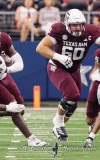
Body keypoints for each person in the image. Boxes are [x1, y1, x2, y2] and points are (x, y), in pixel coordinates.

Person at [36, 9, 100, 141]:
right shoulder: (59, 30)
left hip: (74, 69)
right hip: (57, 66)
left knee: (73, 103)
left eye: (80, 24)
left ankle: (59, 126)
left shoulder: (91, 31)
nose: (78, 28)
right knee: (72, 95)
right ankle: (58, 122)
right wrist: (58, 57)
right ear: (67, 24)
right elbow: (40, 47)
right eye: (74, 25)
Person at [83, 48, 100, 147]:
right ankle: (94, 126)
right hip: (97, 84)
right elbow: (97, 64)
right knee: (89, 120)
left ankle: (90, 138)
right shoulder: (98, 52)